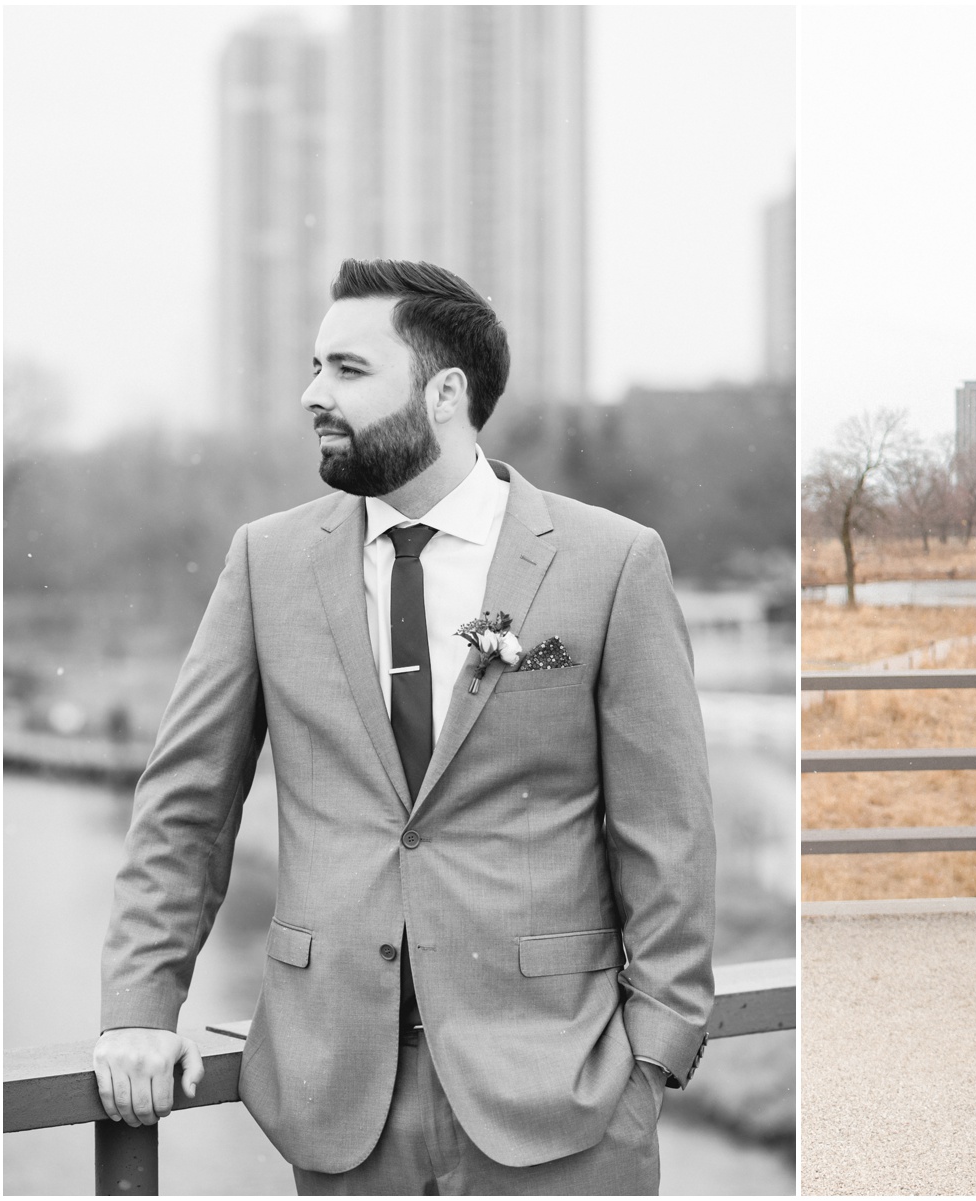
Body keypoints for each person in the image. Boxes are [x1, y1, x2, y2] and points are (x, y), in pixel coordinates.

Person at [94, 259, 716, 1194]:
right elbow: (184, 810)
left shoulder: (612, 562)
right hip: (338, 1100)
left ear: (444, 393)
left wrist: (655, 1052)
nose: (313, 393)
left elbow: (668, 827)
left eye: (348, 370)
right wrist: (140, 1005)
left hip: (564, 1101)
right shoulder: (266, 562)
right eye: (314, 367)